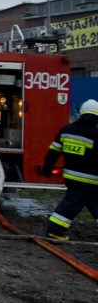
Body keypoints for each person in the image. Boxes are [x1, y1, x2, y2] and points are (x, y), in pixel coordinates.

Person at [39, 99, 98, 241]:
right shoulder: (95, 133)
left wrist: (47, 169)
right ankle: (55, 230)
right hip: (90, 179)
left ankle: (55, 230)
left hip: (71, 177)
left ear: (81, 113)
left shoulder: (66, 130)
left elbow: (52, 152)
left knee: (93, 202)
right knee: (72, 204)